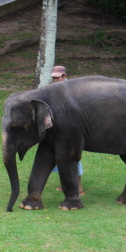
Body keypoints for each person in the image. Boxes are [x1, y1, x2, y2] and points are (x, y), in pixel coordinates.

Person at [51, 65, 85, 195]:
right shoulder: (55, 89)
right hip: (60, 129)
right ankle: (65, 184)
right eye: (53, 78)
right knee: (60, 158)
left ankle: (79, 187)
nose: (55, 80)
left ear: (64, 76)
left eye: (57, 78)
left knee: (74, 159)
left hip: (72, 130)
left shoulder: (72, 89)